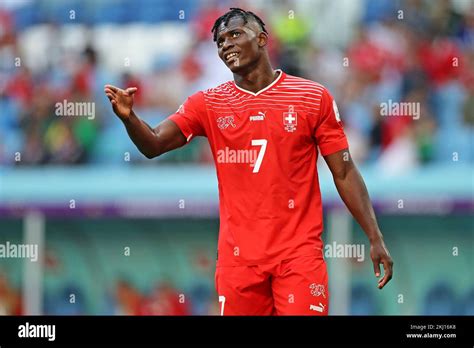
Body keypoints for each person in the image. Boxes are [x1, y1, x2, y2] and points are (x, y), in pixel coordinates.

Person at [104, 8, 393, 315]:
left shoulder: (312, 98)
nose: (226, 44)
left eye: (235, 34)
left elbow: (345, 171)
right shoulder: (207, 104)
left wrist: (375, 237)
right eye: (219, 41)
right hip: (238, 263)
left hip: (298, 258)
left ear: (263, 39)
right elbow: (154, 144)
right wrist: (130, 118)